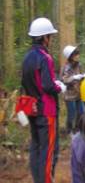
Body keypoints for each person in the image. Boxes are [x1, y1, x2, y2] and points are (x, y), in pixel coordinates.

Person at [21, 17, 66, 183]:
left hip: (32, 109)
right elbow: (48, 85)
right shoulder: (45, 58)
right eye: (50, 36)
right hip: (46, 111)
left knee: (36, 147)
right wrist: (60, 87)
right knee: (48, 151)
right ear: (45, 37)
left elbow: (25, 83)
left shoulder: (27, 58)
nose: (51, 40)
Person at [61, 45, 85, 135]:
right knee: (71, 114)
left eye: (77, 54)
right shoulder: (66, 67)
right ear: (71, 56)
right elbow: (64, 80)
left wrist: (84, 76)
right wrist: (74, 77)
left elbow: (84, 73)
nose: (77, 56)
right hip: (70, 95)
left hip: (79, 93)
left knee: (81, 112)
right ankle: (69, 129)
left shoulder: (79, 65)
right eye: (76, 54)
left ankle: (78, 129)